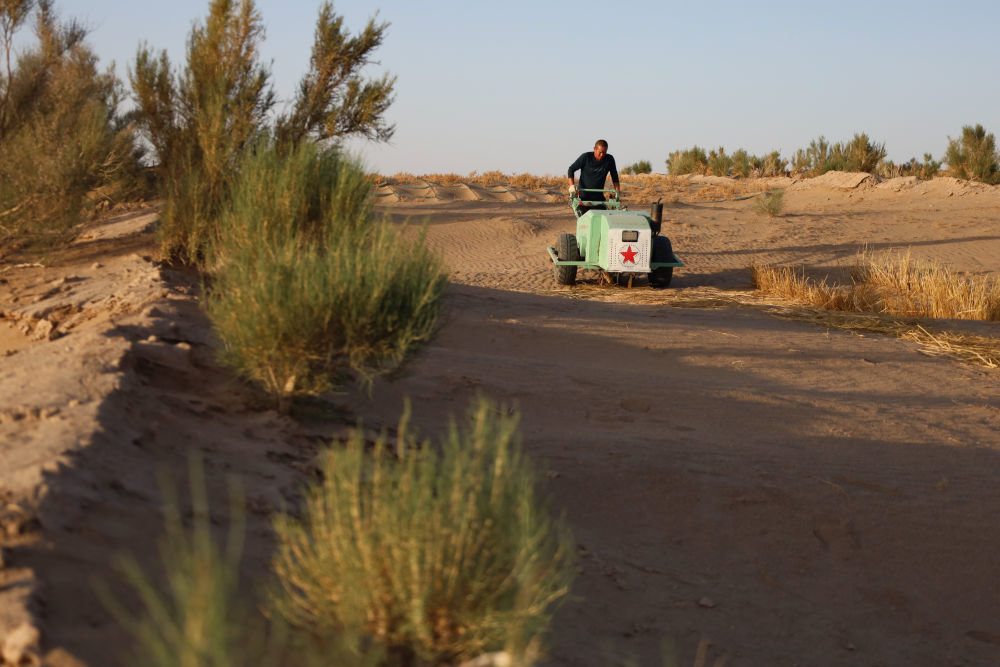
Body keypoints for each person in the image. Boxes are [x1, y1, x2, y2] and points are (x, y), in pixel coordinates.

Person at [567, 139, 620, 212]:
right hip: (583, 198)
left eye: (604, 153)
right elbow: (571, 169)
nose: (602, 155)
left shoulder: (609, 159)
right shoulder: (586, 157)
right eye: (600, 152)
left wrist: (617, 192)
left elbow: (615, 176)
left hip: (599, 198)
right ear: (594, 149)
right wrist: (571, 186)